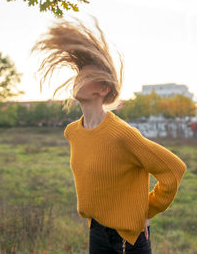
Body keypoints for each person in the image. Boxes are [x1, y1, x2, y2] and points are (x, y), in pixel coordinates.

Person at [31, 16, 187, 254]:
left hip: (127, 239)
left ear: (103, 89)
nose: (79, 78)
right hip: (96, 231)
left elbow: (174, 170)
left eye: (87, 75)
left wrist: (146, 211)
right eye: (79, 73)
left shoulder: (122, 135)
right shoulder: (72, 132)